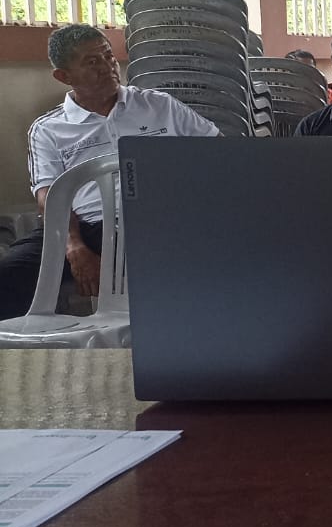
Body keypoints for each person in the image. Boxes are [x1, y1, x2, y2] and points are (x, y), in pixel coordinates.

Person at [1, 24, 219, 322]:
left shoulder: (159, 106)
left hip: (158, 223)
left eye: (109, 56)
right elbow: (49, 197)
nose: (107, 67)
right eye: (92, 61)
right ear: (64, 76)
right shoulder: (48, 130)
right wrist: (74, 246)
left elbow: (218, 153)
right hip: (85, 228)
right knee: (8, 275)